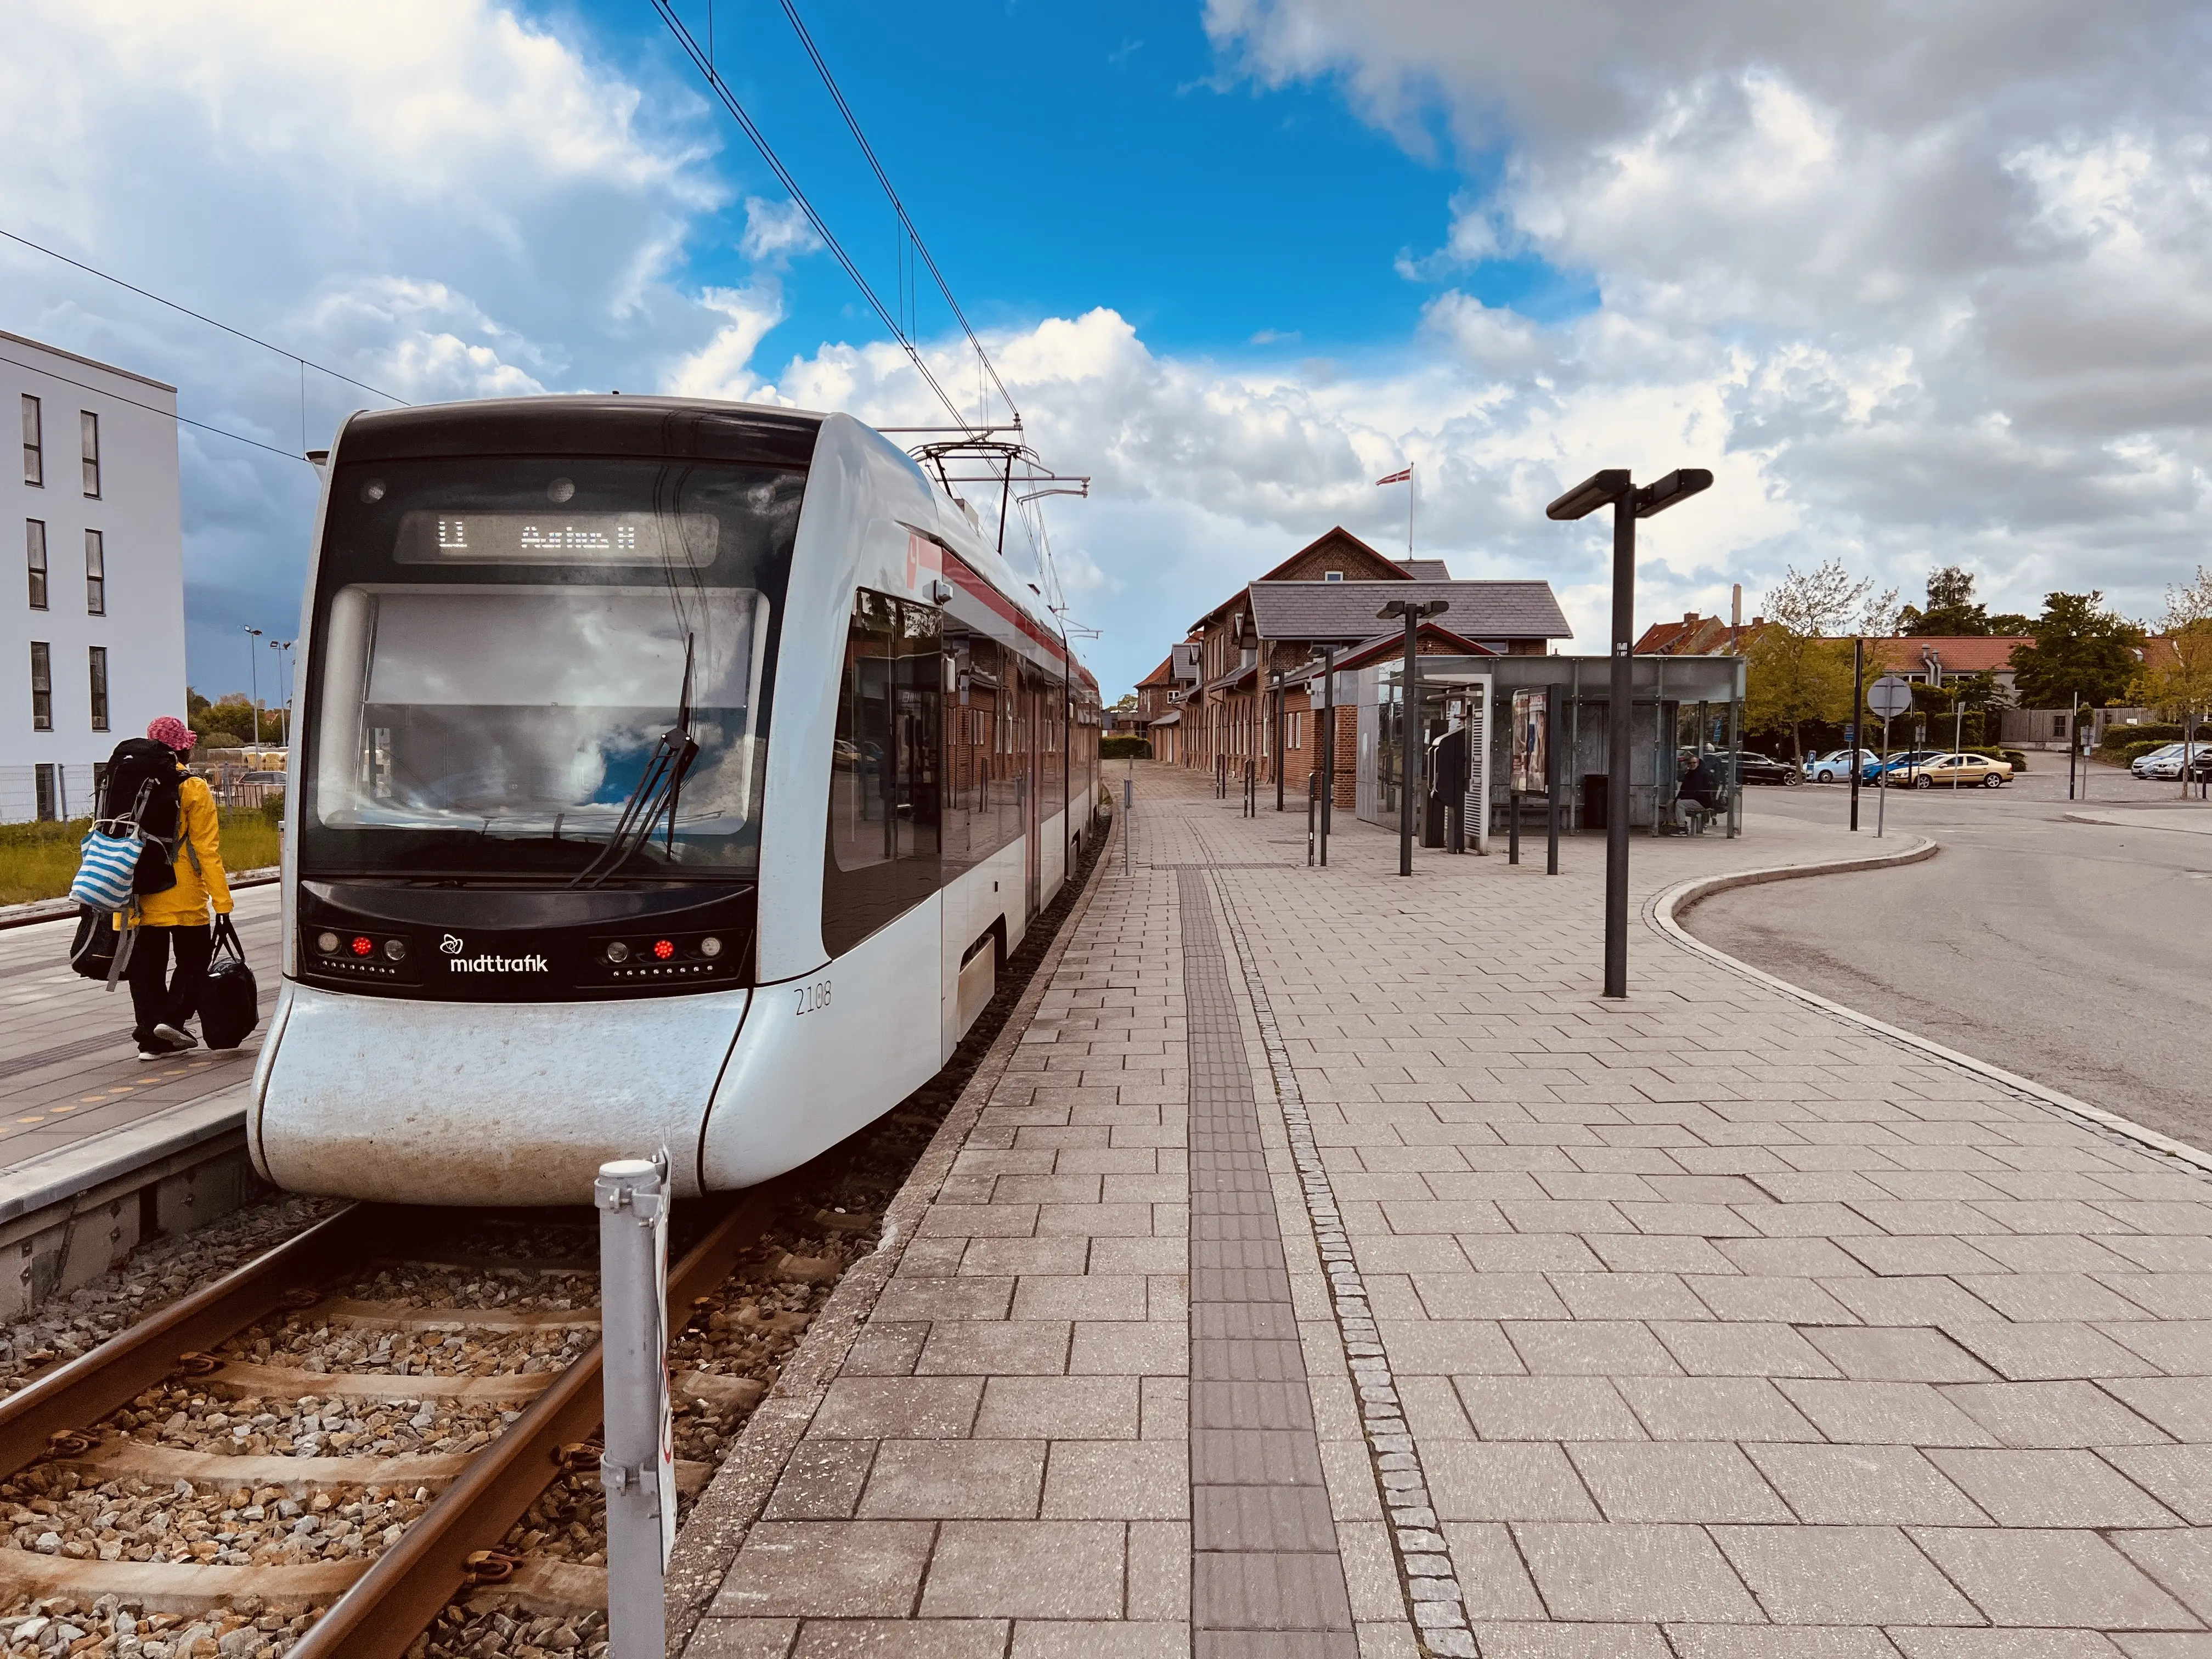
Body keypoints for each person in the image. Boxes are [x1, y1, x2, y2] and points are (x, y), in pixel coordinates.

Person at [117, 716, 234, 1060]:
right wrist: (222, 903)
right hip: (183, 894)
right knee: (195, 961)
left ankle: (150, 1041)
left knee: (146, 970)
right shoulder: (192, 786)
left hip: (136, 893)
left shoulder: (127, 781)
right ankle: (171, 1020)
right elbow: (206, 850)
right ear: (184, 746)